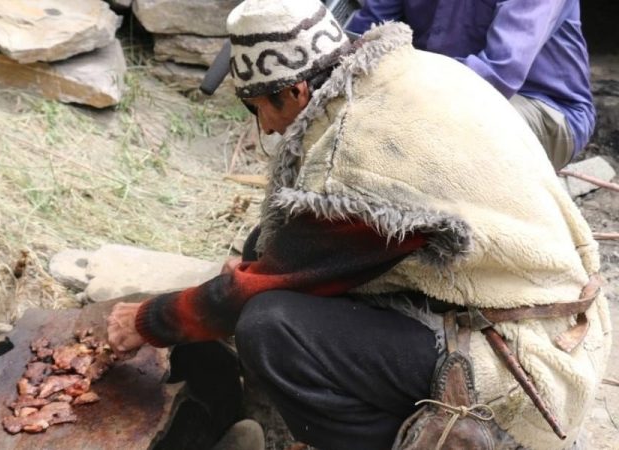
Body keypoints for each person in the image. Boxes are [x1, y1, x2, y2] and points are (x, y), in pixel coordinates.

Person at [107, 0, 611, 449]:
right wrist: (260, 263)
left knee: (271, 328)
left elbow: (257, 290)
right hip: (551, 317)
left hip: (531, 369)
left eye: (260, 108)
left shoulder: (359, 151)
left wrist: (149, 320)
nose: (266, 128)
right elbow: (293, 252)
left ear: (297, 90)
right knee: (268, 246)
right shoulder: (408, 71)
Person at [346, 0, 596, 171]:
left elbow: (498, 74)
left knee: (430, 137)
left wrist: (394, 94)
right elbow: (363, 37)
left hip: (541, 106)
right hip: (428, 94)